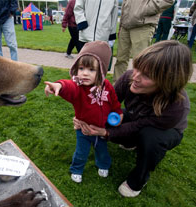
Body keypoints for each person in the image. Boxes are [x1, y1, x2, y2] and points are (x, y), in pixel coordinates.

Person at [74, 40, 192, 197]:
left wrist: (106, 133)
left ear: (167, 82)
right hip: (136, 116)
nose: (135, 76)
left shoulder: (177, 106)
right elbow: (106, 104)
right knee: (109, 119)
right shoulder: (129, 77)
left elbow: (140, 126)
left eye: (146, 75)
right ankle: (130, 142)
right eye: (137, 67)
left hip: (164, 130)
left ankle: (138, 180)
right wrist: (84, 117)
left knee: (150, 139)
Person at [44, 41, 123, 183]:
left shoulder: (107, 86)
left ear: (101, 72)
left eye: (91, 70)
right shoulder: (78, 87)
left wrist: (118, 113)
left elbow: (115, 103)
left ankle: (103, 165)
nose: (85, 73)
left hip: (101, 129)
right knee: (81, 152)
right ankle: (76, 169)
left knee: (102, 151)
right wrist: (59, 85)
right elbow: (70, 86)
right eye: (81, 68)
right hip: (83, 129)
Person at [112, 0, 175, 83]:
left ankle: (136, 87)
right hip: (125, 25)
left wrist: (144, 10)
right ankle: (117, 86)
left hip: (143, 26)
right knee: (121, 59)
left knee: (140, 62)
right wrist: (121, 25)